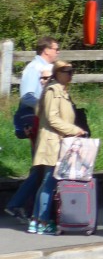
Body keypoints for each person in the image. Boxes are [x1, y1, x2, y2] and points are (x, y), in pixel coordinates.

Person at [29, 60, 87, 235]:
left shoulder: (60, 90)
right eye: (66, 71)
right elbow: (52, 118)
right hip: (52, 142)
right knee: (49, 183)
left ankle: (37, 221)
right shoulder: (53, 90)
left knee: (48, 182)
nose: (70, 74)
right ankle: (42, 221)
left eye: (72, 71)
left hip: (57, 141)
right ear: (57, 73)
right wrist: (75, 130)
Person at [4, 63, 54, 220]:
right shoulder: (38, 87)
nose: (43, 80)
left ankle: (24, 208)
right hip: (40, 135)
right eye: (43, 78)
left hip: (40, 133)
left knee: (39, 171)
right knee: (40, 171)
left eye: (46, 78)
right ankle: (26, 210)